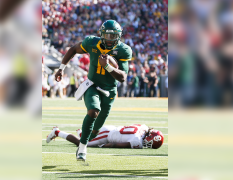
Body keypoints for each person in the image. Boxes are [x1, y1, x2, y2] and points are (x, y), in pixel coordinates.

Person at [54, 20, 132, 161]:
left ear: (119, 36)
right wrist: (61, 68)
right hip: (92, 85)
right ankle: (82, 149)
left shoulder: (123, 50)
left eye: (113, 36)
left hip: (109, 90)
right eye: (107, 36)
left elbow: (123, 77)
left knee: (95, 132)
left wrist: (108, 66)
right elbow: (73, 49)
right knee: (93, 111)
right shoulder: (91, 42)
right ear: (101, 34)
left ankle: (70, 138)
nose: (110, 40)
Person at [46, 124, 164, 149]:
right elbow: (115, 144)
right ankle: (57, 132)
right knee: (81, 143)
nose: (148, 144)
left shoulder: (143, 127)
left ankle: (82, 132)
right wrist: (103, 146)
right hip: (107, 135)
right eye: (150, 143)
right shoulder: (137, 141)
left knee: (85, 137)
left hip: (111, 128)